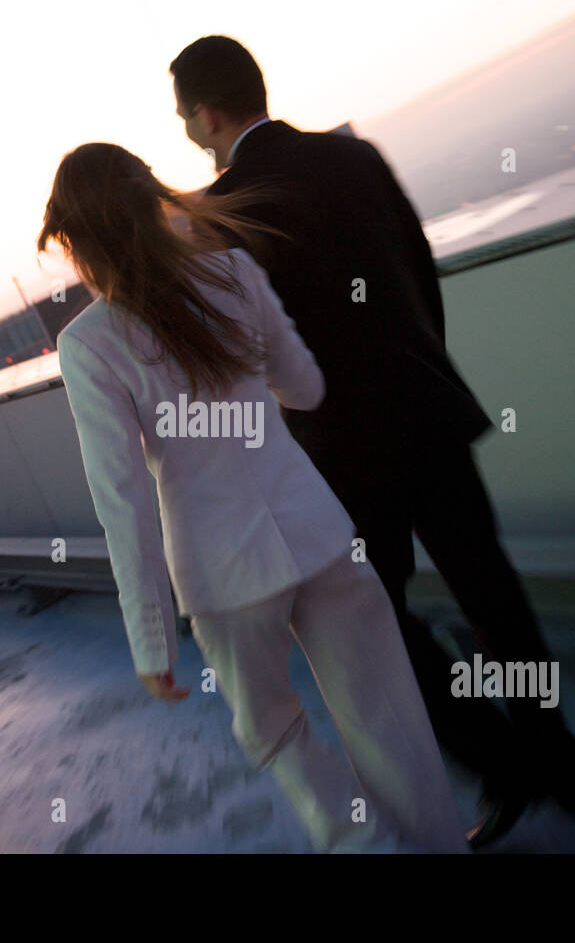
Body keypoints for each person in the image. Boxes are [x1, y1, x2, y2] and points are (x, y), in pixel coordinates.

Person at [168, 35, 575, 847]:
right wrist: (421, 365)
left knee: (382, 621)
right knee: (492, 593)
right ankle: (560, 759)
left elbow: (242, 351)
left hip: (340, 451)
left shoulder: (219, 211)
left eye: (184, 113)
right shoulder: (352, 156)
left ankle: (497, 761)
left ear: (207, 114)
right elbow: (417, 267)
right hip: (426, 409)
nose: (186, 128)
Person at [40, 142, 469, 853]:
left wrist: (149, 636)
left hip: (224, 576)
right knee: (387, 714)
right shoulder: (233, 270)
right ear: (152, 203)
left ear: (78, 243)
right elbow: (306, 388)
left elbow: (124, 501)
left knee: (273, 731)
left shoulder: (88, 344)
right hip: (320, 534)